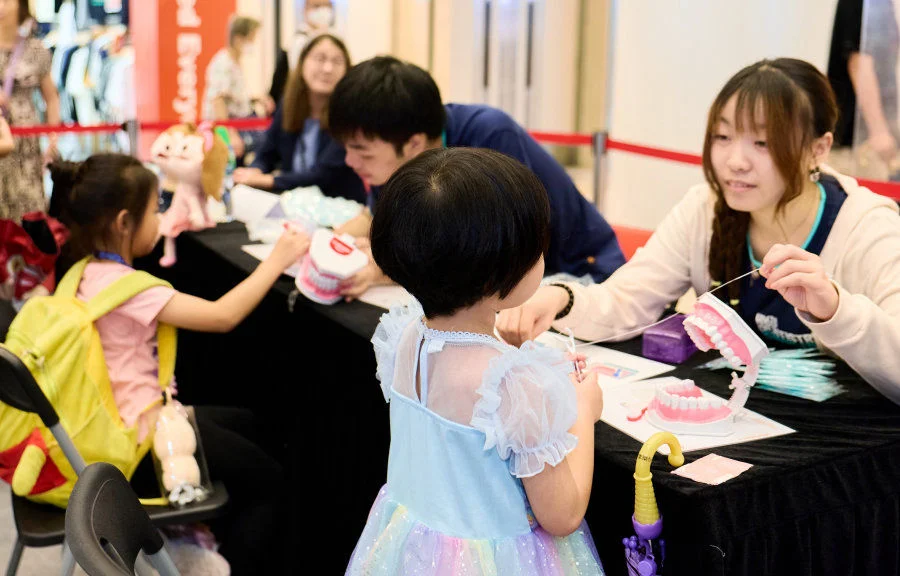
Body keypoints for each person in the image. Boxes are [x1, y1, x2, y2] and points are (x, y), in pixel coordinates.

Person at [497, 58, 900, 406]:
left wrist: (834, 309)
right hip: (734, 422)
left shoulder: (866, 226)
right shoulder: (704, 208)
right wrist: (559, 298)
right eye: (722, 137)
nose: (734, 161)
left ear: (819, 148)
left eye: (762, 142)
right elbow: (628, 301)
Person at [346, 148, 605, 575]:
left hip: (414, 553)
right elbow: (562, 516)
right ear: (496, 274)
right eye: (536, 250)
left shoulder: (406, 337)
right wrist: (582, 410)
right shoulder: (513, 384)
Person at [50, 154, 310, 574]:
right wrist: (278, 258)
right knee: (269, 481)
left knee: (248, 423)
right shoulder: (130, 289)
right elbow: (223, 315)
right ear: (122, 223)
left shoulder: (80, 271)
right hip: (138, 449)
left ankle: (193, 539)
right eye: (157, 211)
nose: (162, 219)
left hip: (105, 433)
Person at [327, 56, 626, 299]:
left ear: (414, 143)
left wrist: (387, 270)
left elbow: (498, 254)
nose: (349, 161)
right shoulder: (401, 154)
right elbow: (375, 216)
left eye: (363, 153)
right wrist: (330, 242)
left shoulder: (488, 137)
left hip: (576, 277)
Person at [233, 33, 364, 202]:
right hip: (292, 204)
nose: (327, 68)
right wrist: (255, 170)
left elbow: (322, 174)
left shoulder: (350, 113)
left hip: (339, 206)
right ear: (302, 63)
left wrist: (269, 180)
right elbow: (267, 152)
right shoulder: (288, 104)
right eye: (320, 58)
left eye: (337, 61)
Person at [0, 0, 60, 222]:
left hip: (26, 142)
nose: (2, 7)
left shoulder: (35, 50)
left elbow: (51, 97)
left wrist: (53, 137)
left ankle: (30, 253)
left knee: (28, 205)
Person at [827, 0, 900, 179]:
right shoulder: (861, 4)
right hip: (855, 144)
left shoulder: (883, 5)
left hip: (872, 137)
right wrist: (879, 131)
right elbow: (859, 64)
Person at [201, 15, 269, 160]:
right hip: (229, 130)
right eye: (251, 38)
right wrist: (231, 135)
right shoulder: (224, 63)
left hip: (239, 124)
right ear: (238, 38)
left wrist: (256, 99)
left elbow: (233, 97)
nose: (253, 43)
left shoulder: (235, 63)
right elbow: (218, 100)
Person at [269, 0, 335, 105]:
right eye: (317, 6)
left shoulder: (333, 39)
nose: (323, 10)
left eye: (326, 6)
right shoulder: (299, 41)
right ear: (305, 10)